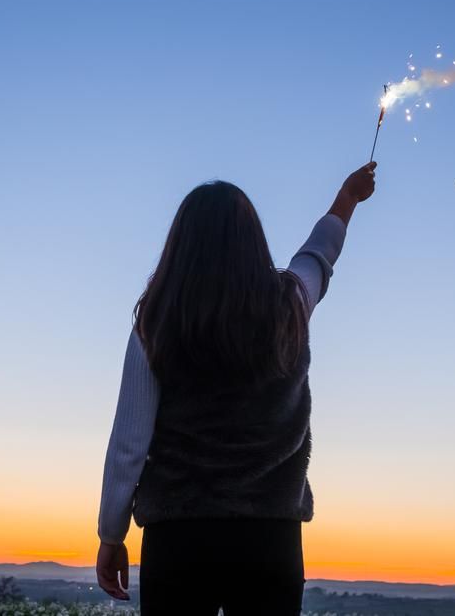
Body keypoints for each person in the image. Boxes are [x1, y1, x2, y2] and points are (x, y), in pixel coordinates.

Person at [95, 161, 378, 615]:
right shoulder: (290, 304)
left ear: (181, 246)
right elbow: (319, 254)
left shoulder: (156, 322)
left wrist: (111, 535)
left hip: (178, 538)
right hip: (270, 538)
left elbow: (129, 444)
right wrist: (347, 197)